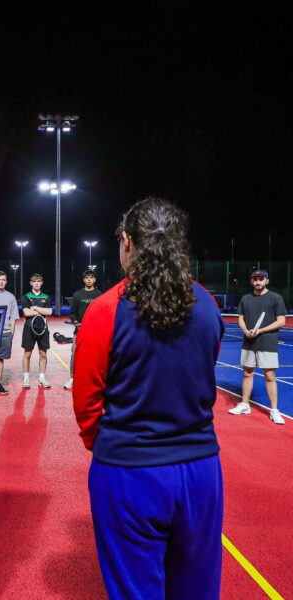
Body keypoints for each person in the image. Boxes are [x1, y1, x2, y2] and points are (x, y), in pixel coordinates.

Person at [73, 198, 224, 600]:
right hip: (200, 471)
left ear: (126, 243)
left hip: (129, 471)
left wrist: (105, 445)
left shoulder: (106, 309)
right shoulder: (206, 303)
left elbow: (86, 401)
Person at [228, 269, 287, 425]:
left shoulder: (276, 298)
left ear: (266, 280)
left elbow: (281, 321)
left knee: (269, 376)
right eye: (255, 279)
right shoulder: (246, 299)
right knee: (247, 373)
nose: (258, 281)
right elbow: (241, 318)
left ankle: (274, 410)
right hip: (249, 342)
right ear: (251, 281)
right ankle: (245, 404)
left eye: (261, 279)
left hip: (267, 342)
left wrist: (260, 330)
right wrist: (246, 330)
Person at [63, 269, 102, 390]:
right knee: (75, 354)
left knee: (95, 356)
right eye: (87, 278)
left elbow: (102, 312)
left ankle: (93, 380)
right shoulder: (77, 295)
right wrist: (76, 323)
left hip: (94, 332)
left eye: (91, 277)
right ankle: (72, 378)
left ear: (94, 280)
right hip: (79, 331)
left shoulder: (99, 295)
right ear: (84, 280)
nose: (89, 279)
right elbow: (72, 313)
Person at [20, 273, 53, 389]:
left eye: (38, 281)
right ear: (31, 283)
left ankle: (42, 378)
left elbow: (49, 312)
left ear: (42, 283)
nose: (37, 283)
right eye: (34, 281)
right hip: (29, 328)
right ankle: (26, 378)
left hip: (43, 329)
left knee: (43, 354)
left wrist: (35, 308)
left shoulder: (46, 297)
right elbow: (26, 313)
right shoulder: (26, 296)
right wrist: (42, 311)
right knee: (27, 354)